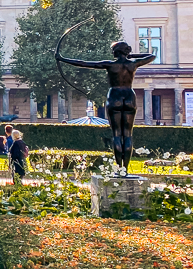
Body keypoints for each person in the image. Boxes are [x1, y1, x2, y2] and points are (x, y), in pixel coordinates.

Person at [56, 39, 156, 173]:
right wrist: (130, 56)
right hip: (129, 96)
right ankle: (125, 169)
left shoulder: (110, 65)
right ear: (126, 51)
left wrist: (62, 59)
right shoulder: (133, 64)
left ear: (115, 52)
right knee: (127, 134)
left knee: (116, 134)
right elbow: (152, 56)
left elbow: (84, 63)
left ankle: (119, 168)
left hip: (114, 96)